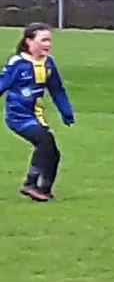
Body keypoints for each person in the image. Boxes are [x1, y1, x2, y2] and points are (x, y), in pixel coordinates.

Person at [0, 23, 75, 202]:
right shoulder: (17, 64)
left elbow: (57, 89)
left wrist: (66, 112)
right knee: (44, 142)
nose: (48, 44)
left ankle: (44, 190)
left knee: (53, 153)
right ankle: (30, 183)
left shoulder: (48, 63)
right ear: (29, 41)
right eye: (43, 40)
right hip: (17, 116)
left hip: (36, 116)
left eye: (49, 40)